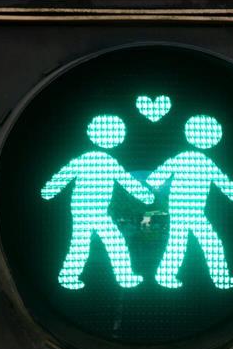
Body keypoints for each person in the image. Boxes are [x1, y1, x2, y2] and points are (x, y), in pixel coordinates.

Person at [41, 115, 154, 290]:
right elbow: (126, 181)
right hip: (88, 211)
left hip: (88, 211)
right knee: (104, 242)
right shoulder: (102, 161)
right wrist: (145, 195)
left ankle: (70, 276)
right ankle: (120, 277)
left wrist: (49, 191)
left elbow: (64, 174)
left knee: (89, 243)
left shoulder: (95, 159)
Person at [146, 115, 233, 289]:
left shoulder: (184, 158)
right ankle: (218, 278)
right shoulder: (201, 161)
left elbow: (155, 178)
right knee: (203, 243)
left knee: (182, 244)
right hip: (188, 212)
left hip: (187, 212)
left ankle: (166, 276)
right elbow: (223, 182)